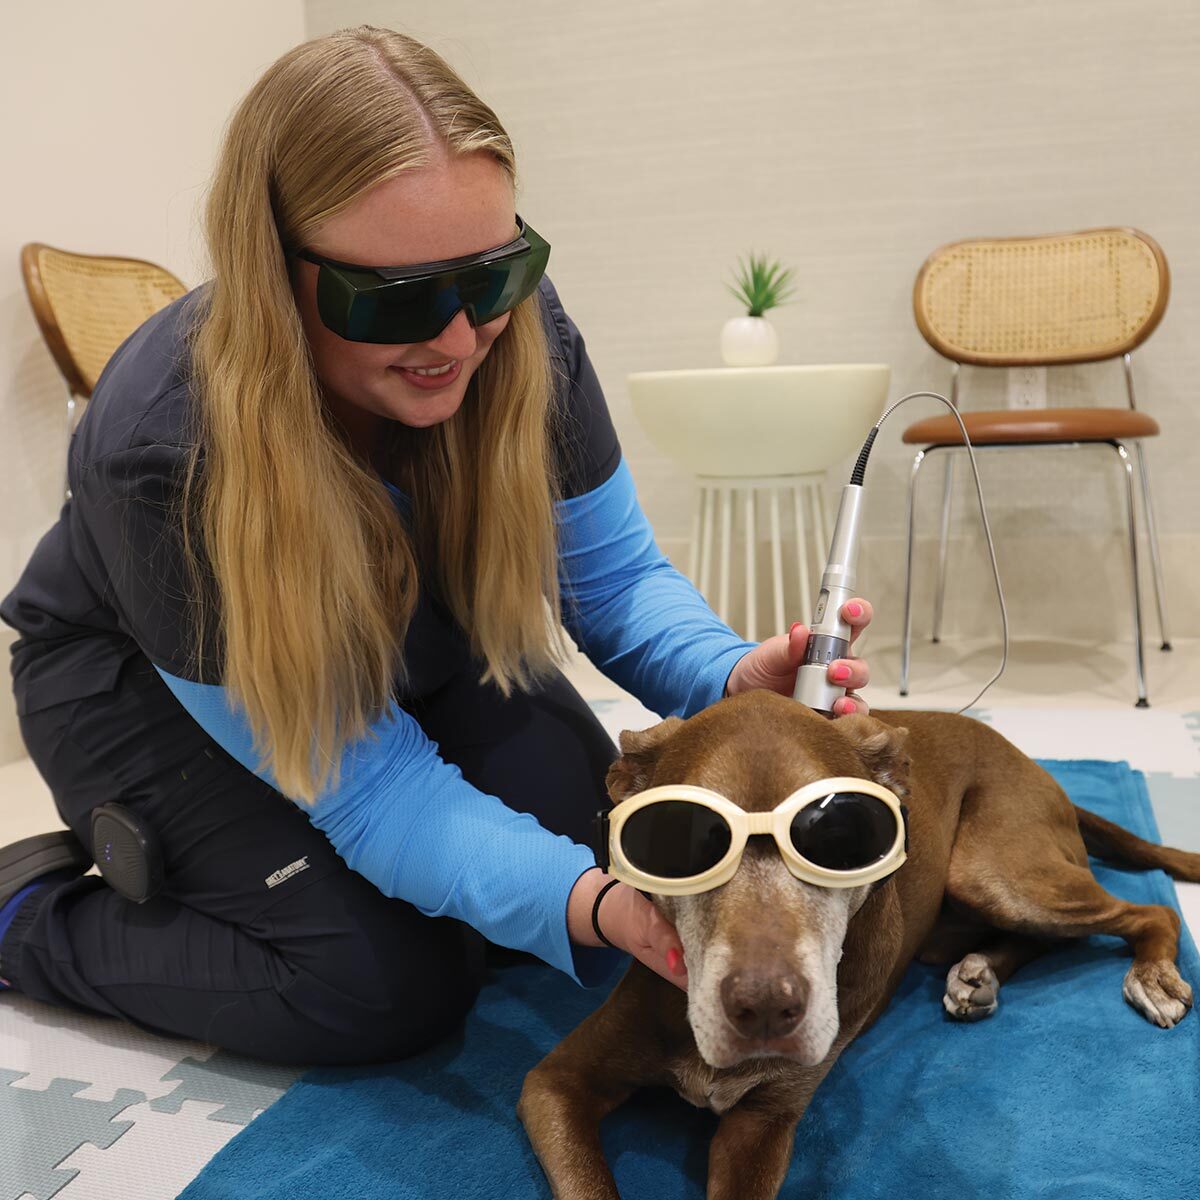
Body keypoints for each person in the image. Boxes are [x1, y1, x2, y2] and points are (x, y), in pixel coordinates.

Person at [0, 25, 872, 1066]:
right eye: (399, 298)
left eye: (496, 273)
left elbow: (616, 580)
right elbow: (375, 789)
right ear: (275, 275)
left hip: (398, 652)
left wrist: (731, 673)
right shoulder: (166, 450)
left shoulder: (518, 327)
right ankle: (28, 915)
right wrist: (593, 911)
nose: (460, 338)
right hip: (142, 689)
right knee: (377, 987)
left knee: (597, 854)